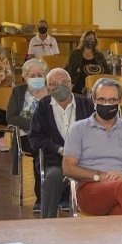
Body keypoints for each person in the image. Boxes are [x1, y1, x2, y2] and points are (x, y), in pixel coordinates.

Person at [62, 78, 122, 216]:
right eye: (102, 100)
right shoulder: (78, 129)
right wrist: (100, 176)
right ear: (93, 100)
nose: (106, 104)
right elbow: (68, 167)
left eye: (112, 100)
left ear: (119, 102)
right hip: (91, 190)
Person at [29, 68, 95, 218]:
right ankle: (47, 224)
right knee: (52, 179)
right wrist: (58, 149)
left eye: (64, 82)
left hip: (86, 162)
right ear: (48, 87)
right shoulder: (43, 106)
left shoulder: (86, 104)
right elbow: (35, 138)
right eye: (54, 83)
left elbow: (97, 132)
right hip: (57, 162)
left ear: (71, 85)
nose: (59, 86)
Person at [8, 59, 50, 213]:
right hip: (27, 136)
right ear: (25, 76)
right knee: (41, 155)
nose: (37, 78)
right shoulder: (18, 92)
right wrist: (34, 125)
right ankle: (41, 199)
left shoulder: (51, 91)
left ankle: (62, 196)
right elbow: (11, 117)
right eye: (33, 75)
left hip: (50, 135)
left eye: (40, 74)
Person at [66, 29, 111, 95]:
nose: (90, 41)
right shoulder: (76, 54)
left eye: (92, 39)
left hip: (96, 86)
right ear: (83, 40)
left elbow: (107, 71)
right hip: (79, 85)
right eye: (88, 39)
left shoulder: (99, 55)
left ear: (95, 41)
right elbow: (69, 70)